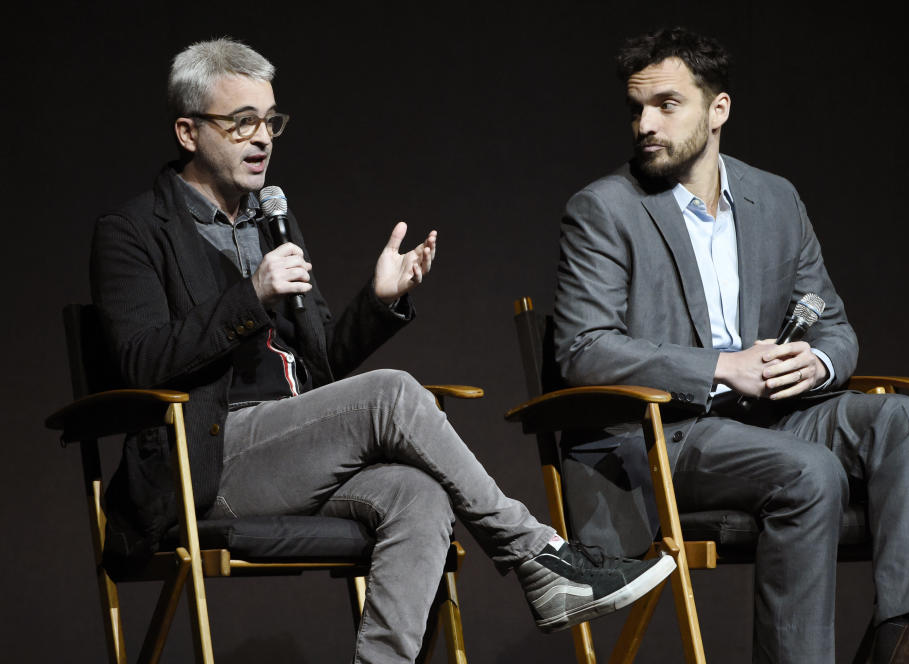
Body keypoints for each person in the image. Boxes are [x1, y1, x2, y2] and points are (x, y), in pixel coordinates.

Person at [89, 37, 676, 664]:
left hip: (291, 454)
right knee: (395, 391)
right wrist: (251, 295)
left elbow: (320, 372)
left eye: (269, 121)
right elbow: (141, 363)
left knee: (417, 495)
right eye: (241, 123)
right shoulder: (131, 234)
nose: (261, 139)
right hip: (204, 462)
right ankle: (538, 557)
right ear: (187, 131)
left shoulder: (271, 220)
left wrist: (377, 302)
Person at [552, 26, 909, 664]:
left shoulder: (774, 198)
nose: (644, 125)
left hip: (772, 420)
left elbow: (833, 324)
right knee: (809, 471)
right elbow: (583, 349)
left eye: (667, 105)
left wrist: (818, 360)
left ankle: (899, 639)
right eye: (636, 109)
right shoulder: (605, 209)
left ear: (719, 110)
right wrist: (720, 366)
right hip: (668, 436)